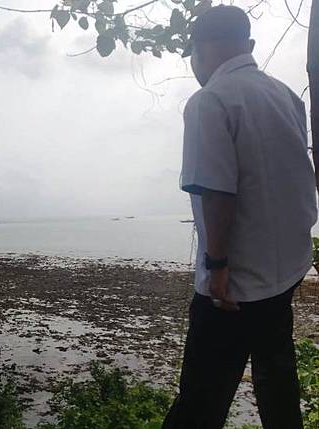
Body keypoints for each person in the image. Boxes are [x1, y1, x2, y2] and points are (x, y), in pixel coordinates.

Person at [163, 5, 316, 429]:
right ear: (247, 45)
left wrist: (217, 268)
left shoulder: (209, 100)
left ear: (198, 51)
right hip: (284, 274)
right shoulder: (284, 95)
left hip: (233, 287)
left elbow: (217, 191)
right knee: (277, 382)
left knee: (200, 401)